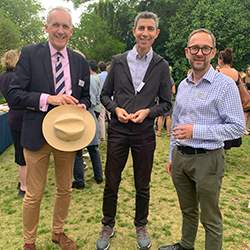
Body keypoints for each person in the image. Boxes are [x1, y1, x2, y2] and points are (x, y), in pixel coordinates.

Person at [7, 6, 91, 250]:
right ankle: (29, 242)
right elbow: (15, 94)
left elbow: (85, 96)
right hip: (36, 134)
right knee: (34, 194)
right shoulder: (30, 54)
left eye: (65, 26)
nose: (60, 30)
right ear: (46, 27)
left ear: (71, 31)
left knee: (65, 190)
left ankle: (57, 232)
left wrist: (82, 107)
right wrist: (49, 99)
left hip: (68, 136)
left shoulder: (79, 60)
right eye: (56, 25)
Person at [158, 29, 245, 250]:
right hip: (180, 159)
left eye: (205, 48)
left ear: (213, 52)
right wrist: (171, 156)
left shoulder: (224, 85)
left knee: (210, 218)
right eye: (195, 48)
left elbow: (237, 128)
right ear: (187, 51)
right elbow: (176, 123)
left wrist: (196, 131)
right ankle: (186, 245)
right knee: (187, 210)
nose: (199, 53)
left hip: (208, 160)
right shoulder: (184, 84)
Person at [96, 11, 172, 250]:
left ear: (156, 34)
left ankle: (141, 224)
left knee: (143, 183)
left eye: (150, 29)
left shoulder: (161, 65)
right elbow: (104, 95)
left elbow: (167, 103)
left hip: (144, 133)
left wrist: (148, 112)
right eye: (141, 28)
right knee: (111, 182)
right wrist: (115, 109)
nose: (145, 33)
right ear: (134, 31)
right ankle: (108, 224)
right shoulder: (118, 61)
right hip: (118, 130)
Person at [72, 58, 103, 189]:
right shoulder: (93, 79)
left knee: (78, 149)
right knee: (93, 148)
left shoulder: (75, 80)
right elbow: (96, 99)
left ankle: (79, 181)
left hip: (79, 113)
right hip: (90, 114)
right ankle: (99, 176)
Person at [0, 49, 27, 197]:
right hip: (21, 116)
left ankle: (22, 181)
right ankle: (23, 186)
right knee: (23, 153)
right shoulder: (15, 77)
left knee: (19, 150)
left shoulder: (3, 76)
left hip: (13, 115)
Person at [217, 47, 243, 152]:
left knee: (219, 129)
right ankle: (225, 153)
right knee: (228, 130)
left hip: (220, 103)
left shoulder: (218, 71)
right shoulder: (236, 73)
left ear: (221, 60)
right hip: (233, 104)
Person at [156, 66, 176, 137]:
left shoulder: (160, 79)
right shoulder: (171, 80)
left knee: (160, 117)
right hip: (168, 99)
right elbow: (174, 91)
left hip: (161, 99)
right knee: (168, 117)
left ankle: (159, 132)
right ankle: (168, 133)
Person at [98, 61, 109, 141]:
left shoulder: (98, 76)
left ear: (99, 69)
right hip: (110, 99)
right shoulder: (110, 75)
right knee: (111, 117)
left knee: (101, 117)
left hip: (101, 99)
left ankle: (102, 136)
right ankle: (112, 134)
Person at [243, 65, 250, 134]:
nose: (249, 71)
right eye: (248, 70)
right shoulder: (244, 78)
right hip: (247, 98)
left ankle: (247, 127)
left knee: (249, 114)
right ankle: (244, 129)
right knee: (246, 113)